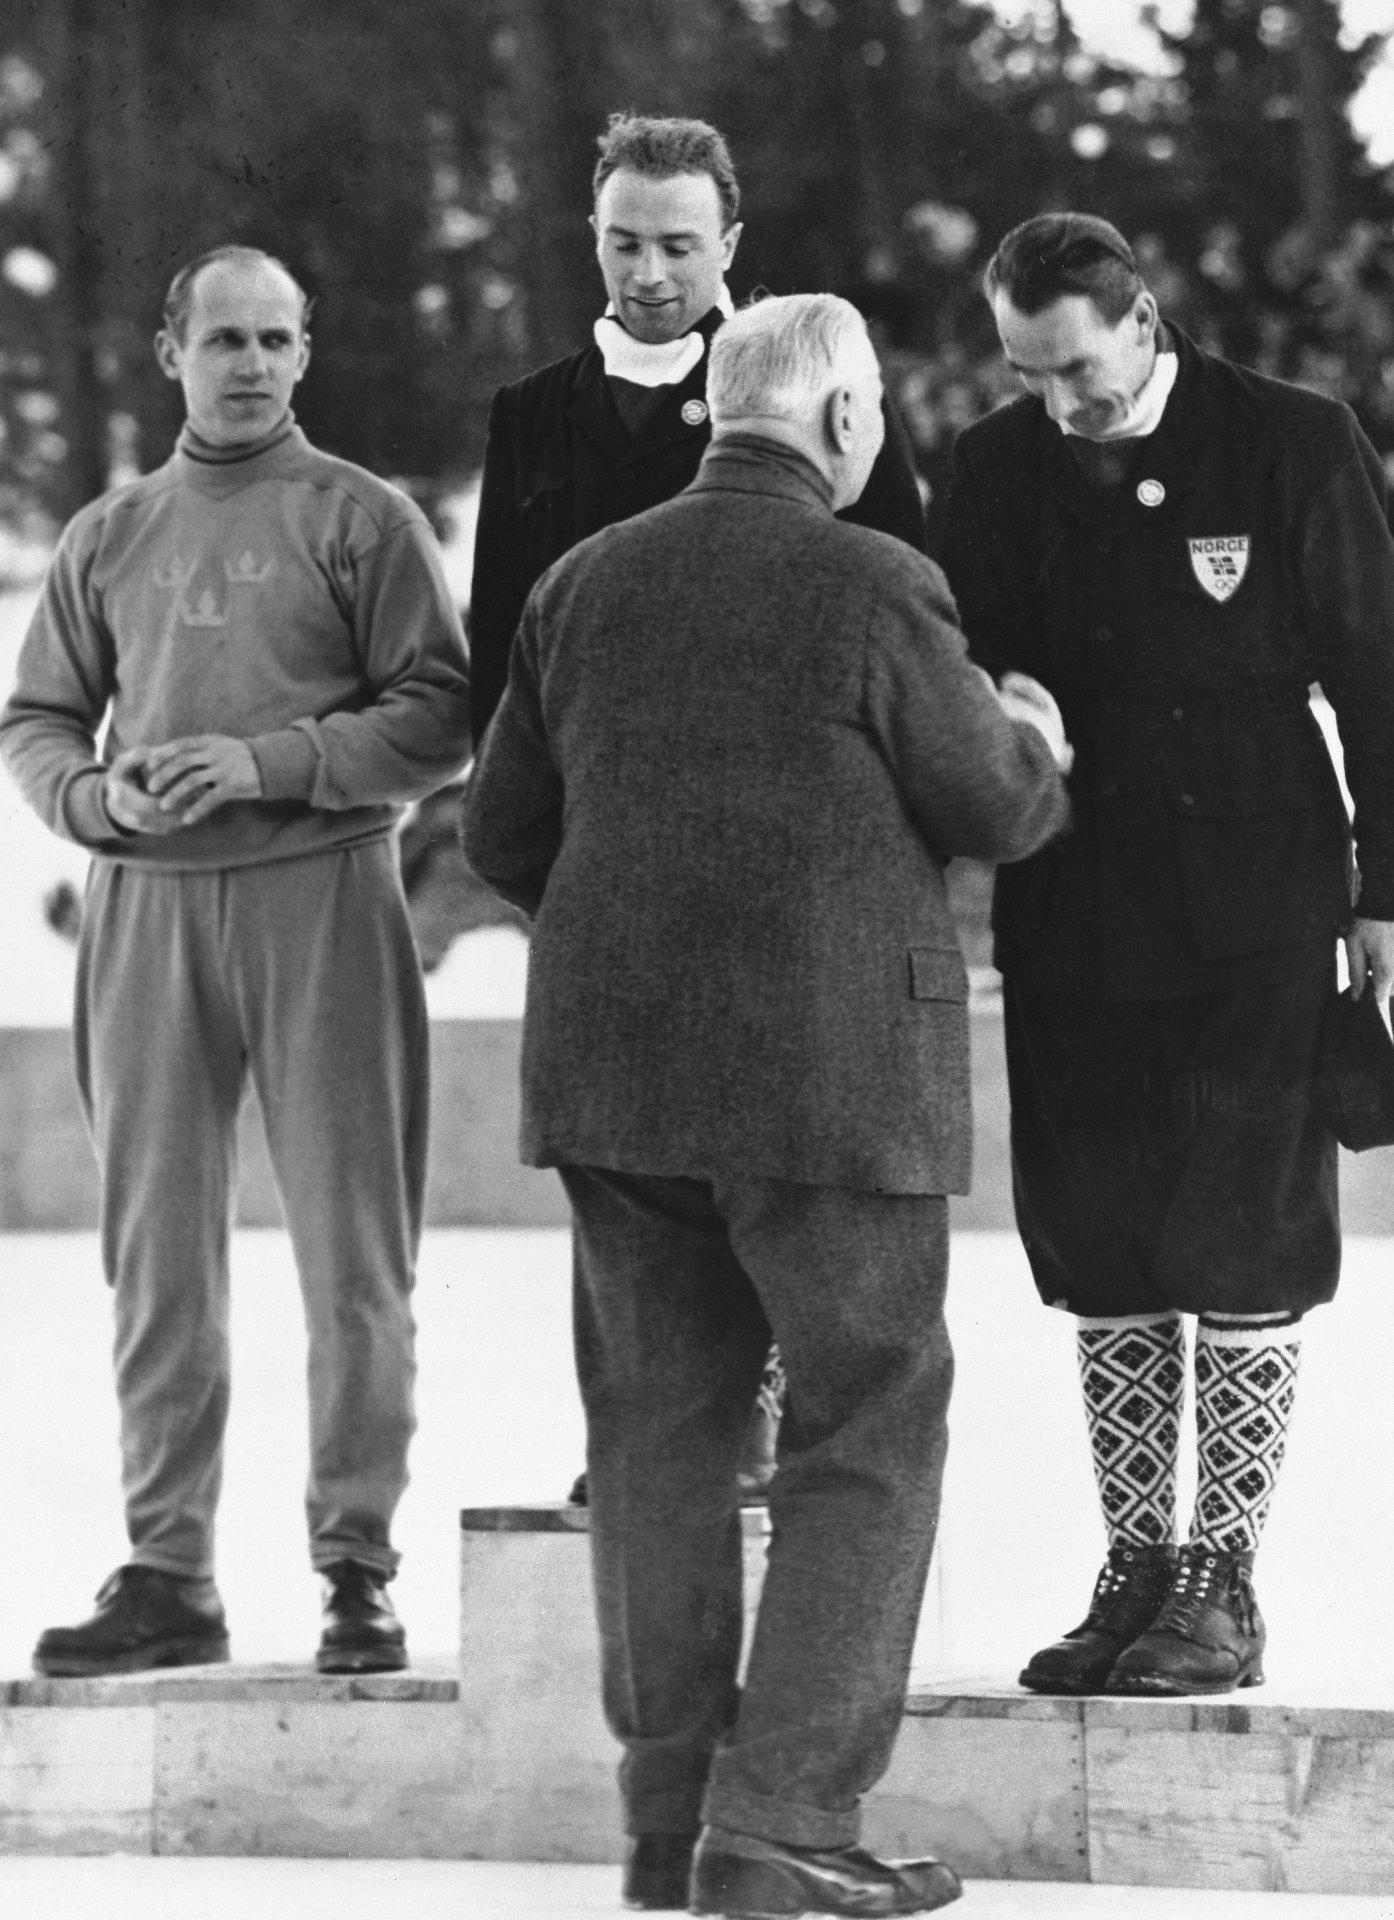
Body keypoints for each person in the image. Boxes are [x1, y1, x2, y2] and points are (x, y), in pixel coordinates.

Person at [463, 293, 1070, 1918]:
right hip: (830, 1082)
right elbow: (991, 805)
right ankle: (785, 1819)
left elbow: (503, 835)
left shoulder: (579, 581)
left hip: (612, 1082)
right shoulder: (878, 579)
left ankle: (669, 1826)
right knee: (865, 1425)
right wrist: (1028, 730)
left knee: (656, 1440)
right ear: (845, 421)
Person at [933, 212, 1394, 1698]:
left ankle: (1223, 1579)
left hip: (1257, 903)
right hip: (1071, 899)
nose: (1055, 403)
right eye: (1026, 372)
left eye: (1073, 368)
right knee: (1101, 1236)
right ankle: (1137, 1562)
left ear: (1143, 320)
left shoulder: (1291, 441)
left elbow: (1378, 677)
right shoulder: (993, 469)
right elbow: (953, 664)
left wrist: (1383, 892)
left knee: (1243, 1226)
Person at [0, 245, 470, 1677]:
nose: (251, 362)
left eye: (276, 338)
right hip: (144, 916)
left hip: (321, 893)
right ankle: (167, 1570)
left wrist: (270, 759)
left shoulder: (361, 519)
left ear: (306, 354)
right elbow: (36, 720)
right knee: (157, 1259)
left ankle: (352, 1563)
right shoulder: (111, 533)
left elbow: (442, 715)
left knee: (354, 1254)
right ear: (171, 352)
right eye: (225, 338)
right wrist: (94, 800)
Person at [460, 108, 930, 1507]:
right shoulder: (531, 416)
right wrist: (569, 880)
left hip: (786, 888)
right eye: (621, 241)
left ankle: (769, 1421)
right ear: (587, 238)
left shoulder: (811, 384)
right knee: (627, 1192)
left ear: (732, 243)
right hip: (609, 888)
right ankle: (649, 1451)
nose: (649, 271)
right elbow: (505, 669)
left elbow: (899, 603)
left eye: (677, 243)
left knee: (775, 1179)